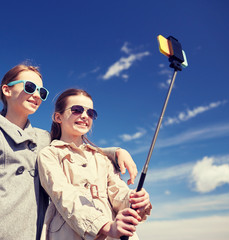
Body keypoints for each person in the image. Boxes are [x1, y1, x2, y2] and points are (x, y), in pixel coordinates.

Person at [0, 64, 138, 240]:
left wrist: (116, 152)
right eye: (30, 87)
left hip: (31, 233)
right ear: (6, 90)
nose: (36, 95)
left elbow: (77, 147)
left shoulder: (44, 139)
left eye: (41, 92)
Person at [38, 88, 152, 240]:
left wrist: (135, 199)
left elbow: (118, 192)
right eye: (77, 110)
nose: (85, 116)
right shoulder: (48, 154)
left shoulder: (102, 158)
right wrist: (106, 227)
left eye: (90, 113)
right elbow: (64, 196)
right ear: (58, 117)